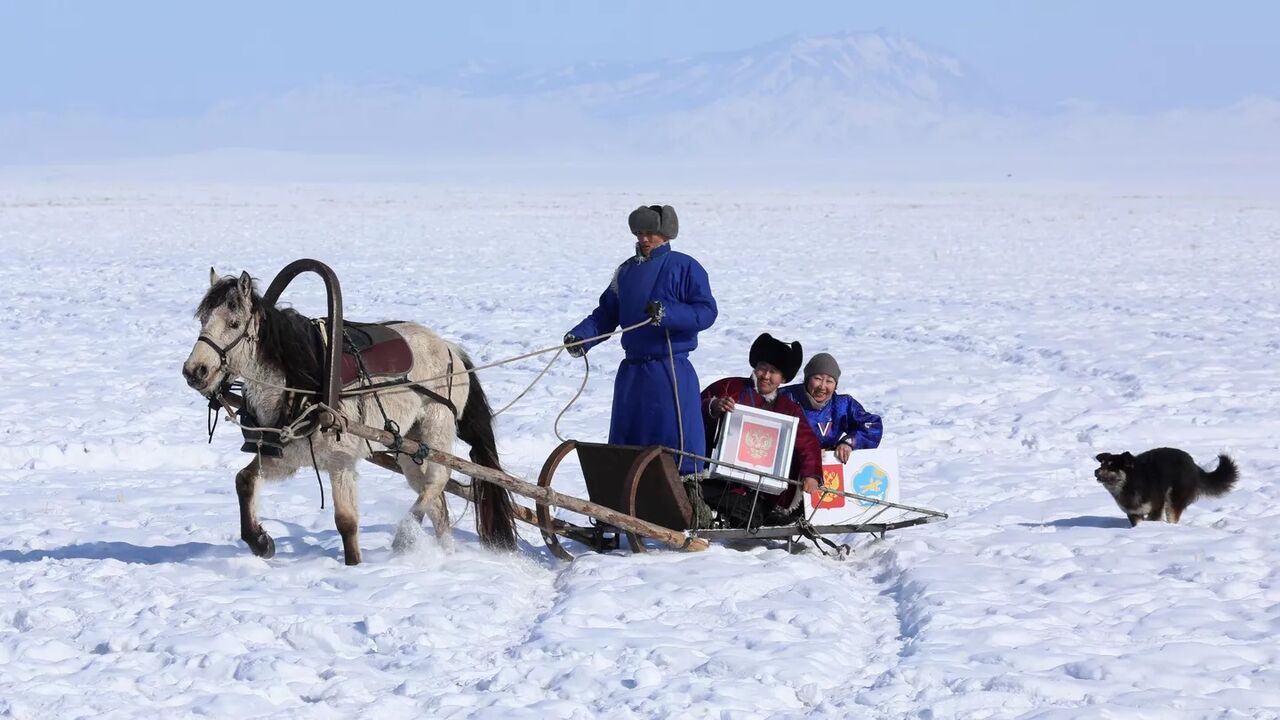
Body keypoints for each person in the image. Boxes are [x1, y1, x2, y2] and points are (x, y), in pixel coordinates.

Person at [563, 204, 717, 477]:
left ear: (665, 234)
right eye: (639, 233)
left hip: (669, 372)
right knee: (629, 444)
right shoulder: (625, 272)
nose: (643, 239)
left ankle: (684, 498)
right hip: (632, 375)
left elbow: (706, 311)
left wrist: (668, 314)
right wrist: (582, 337)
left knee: (673, 446)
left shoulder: (685, 266)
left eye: (650, 233)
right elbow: (607, 313)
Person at [699, 333, 823, 522]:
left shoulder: (788, 408)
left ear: (782, 378)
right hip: (715, 477)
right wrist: (713, 406)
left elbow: (807, 442)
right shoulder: (729, 387)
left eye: (773, 371)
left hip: (761, 487)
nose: (765, 376)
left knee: (754, 513)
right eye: (762, 368)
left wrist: (811, 474)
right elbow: (692, 411)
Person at [780, 352, 883, 463]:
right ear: (807, 379)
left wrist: (849, 442)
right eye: (818, 378)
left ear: (835, 386)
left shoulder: (842, 405)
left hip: (825, 467)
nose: (822, 386)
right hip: (785, 465)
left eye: (829, 381)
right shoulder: (786, 397)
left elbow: (873, 426)